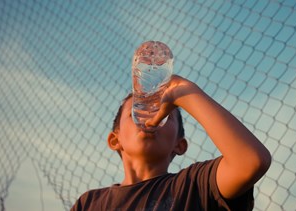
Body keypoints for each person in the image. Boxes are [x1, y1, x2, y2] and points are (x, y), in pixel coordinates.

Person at [71, 75, 271, 210]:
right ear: (115, 140)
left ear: (180, 144)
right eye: (138, 110)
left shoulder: (194, 186)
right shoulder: (89, 203)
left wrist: (185, 93)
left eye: (163, 113)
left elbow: (251, 162)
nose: (150, 118)